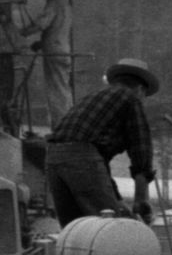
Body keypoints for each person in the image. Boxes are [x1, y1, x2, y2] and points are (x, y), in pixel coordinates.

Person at [43, 59, 158, 225]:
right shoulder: (131, 98)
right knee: (108, 226)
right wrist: (141, 200)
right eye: (144, 95)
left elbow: (96, 158)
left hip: (53, 157)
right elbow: (141, 152)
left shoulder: (91, 97)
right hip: (81, 159)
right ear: (140, 89)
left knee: (76, 227)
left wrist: (117, 200)